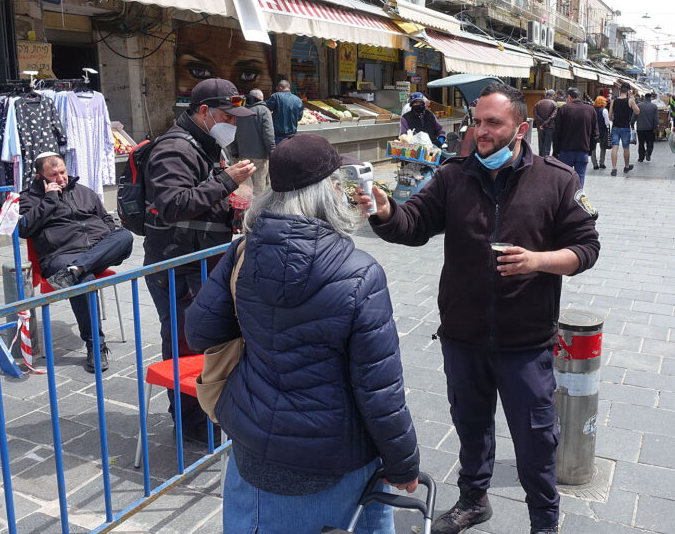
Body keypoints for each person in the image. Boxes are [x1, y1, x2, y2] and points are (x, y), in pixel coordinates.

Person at [356, 83, 601, 534]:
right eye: (477, 122)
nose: (481, 131)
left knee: (535, 442)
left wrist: (538, 261)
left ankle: (544, 523)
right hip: (463, 337)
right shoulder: (455, 176)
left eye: (493, 123)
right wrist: (387, 209)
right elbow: (413, 226)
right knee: (470, 426)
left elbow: (587, 248)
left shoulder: (558, 178)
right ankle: (474, 501)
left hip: (525, 343)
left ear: (520, 129)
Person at [185, 134, 420, 533]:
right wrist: (403, 463)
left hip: (255, 443)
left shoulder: (242, 251)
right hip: (334, 456)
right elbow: (379, 389)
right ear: (327, 192)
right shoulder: (359, 272)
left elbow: (200, 331)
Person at [143, 78, 257, 445]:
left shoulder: (205, 145)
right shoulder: (174, 148)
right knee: (183, 343)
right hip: (178, 266)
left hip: (201, 261)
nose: (234, 125)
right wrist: (226, 181)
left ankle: (207, 413)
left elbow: (201, 198)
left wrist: (232, 205)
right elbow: (174, 204)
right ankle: (191, 425)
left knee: (207, 340)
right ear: (204, 112)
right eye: (229, 116)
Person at [18, 152, 134, 372]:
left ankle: (79, 268)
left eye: (62, 172)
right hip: (60, 257)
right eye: (53, 175)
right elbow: (24, 229)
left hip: (97, 251)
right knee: (84, 280)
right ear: (39, 177)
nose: (61, 178)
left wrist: (105, 239)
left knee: (125, 236)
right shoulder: (28, 198)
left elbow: (106, 219)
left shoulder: (84, 191)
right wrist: (49, 200)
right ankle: (96, 345)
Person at [552, 87, 599, 186]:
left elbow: (557, 132)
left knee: (564, 179)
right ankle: (578, 200)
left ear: (569, 97)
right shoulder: (590, 110)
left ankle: (565, 200)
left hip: (565, 151)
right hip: (582, 151)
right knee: (580, 178)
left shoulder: (564, 109)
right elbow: (595, 134)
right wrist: (589, 150)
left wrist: (556, 151)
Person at [233, 88, 275, 190]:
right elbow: (268, 133)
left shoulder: (239, 110)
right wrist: (272, 151)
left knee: (245, 186)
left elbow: (233, 132)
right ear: (261, 98)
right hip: (260, 156)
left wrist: (235, 151)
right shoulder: (263, 110)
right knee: (259, 186)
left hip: (242, 155)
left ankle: (246, 205)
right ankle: (256, 206)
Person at [608, 83, 641, 176]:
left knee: (615, 147)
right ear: (628, 91)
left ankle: (614, 168)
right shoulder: (630, 101)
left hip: (615, 127)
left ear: (620, 90)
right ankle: (626, 166)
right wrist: (633, 100)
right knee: (626, 148)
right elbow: (637, 111)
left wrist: (613, 119)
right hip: (626, 127)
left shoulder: (613, 101)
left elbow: (610, 116)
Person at [266, 80, 303, 144]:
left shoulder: (276, 96)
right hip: (292, 135)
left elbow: (266, 109)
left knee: (278, 153)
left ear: (280, 88)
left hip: (278, 135)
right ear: (289, 88)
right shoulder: (298, 100)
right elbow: (299, 117)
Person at [533, 89, 558, 157]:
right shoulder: (554, 104)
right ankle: (546, 160)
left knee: (541, 144)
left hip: (540, 126)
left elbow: (535, 115)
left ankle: (540, 158)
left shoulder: (538, 103)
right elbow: (553, 116)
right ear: (552, 95)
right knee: (547, 144)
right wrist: (545, 123)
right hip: (549, 127)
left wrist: (542, 123)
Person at [635, 93, 659, 163]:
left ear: (644, 98)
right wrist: (655, 127)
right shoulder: (654, 106)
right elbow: (656, 119)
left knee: (641, 143)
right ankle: (648, 152)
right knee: (650, 142)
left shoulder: (639, 105)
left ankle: (641, 158)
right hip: (650, 128)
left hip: (640, 128)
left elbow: (634, 115)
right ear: (650, 98)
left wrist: (632, 124)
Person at [592, 96, 611, 170]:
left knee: (593, 148)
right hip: (602, 131)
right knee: (603, 147)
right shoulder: (604, 110)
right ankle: (602, 163)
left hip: (593, 131)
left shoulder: (592, 110)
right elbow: (607, 122)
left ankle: (595, 164)